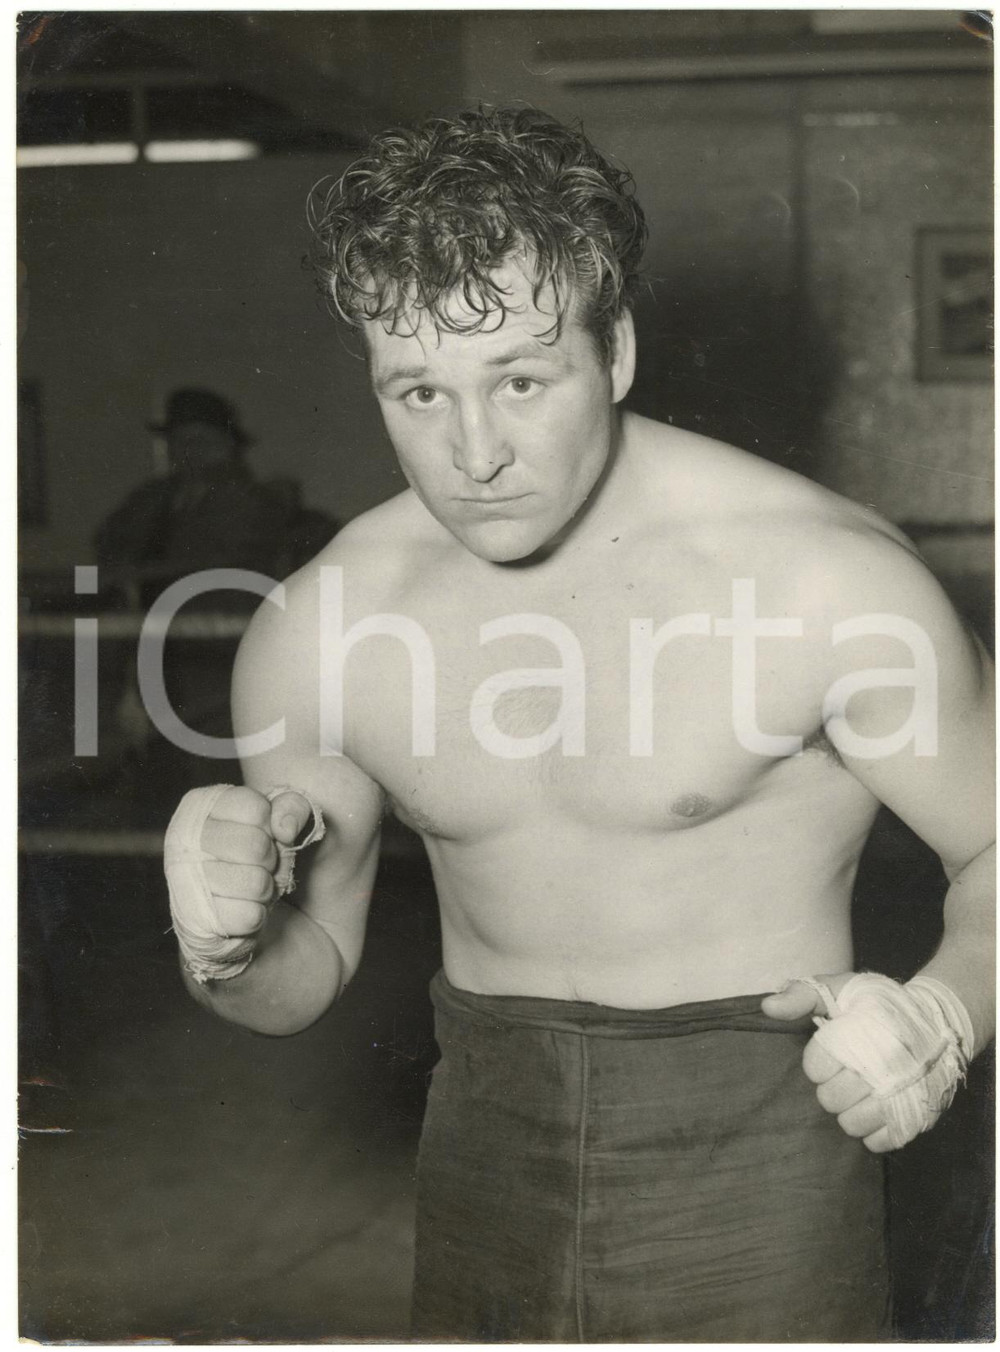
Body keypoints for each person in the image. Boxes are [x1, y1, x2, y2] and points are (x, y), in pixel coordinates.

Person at [162, 107, 994, 1341]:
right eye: (419, 392)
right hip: (483, 1137)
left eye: (519, 379)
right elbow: (302, 981)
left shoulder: (827, 582)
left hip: (761, 1133)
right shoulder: (324, 623)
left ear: (613, 355)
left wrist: (947, 1007)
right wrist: (222, 942)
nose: (473, 452)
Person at [95, 387, 336, 596]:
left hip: (224, 621)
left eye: (201, 440)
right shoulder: (155, 494)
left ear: (229, 445)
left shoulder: (253, 498)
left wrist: (141, 572)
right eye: (179, 441)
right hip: (155, 625)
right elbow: (108, 539)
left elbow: (221, 560)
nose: (188, 451)